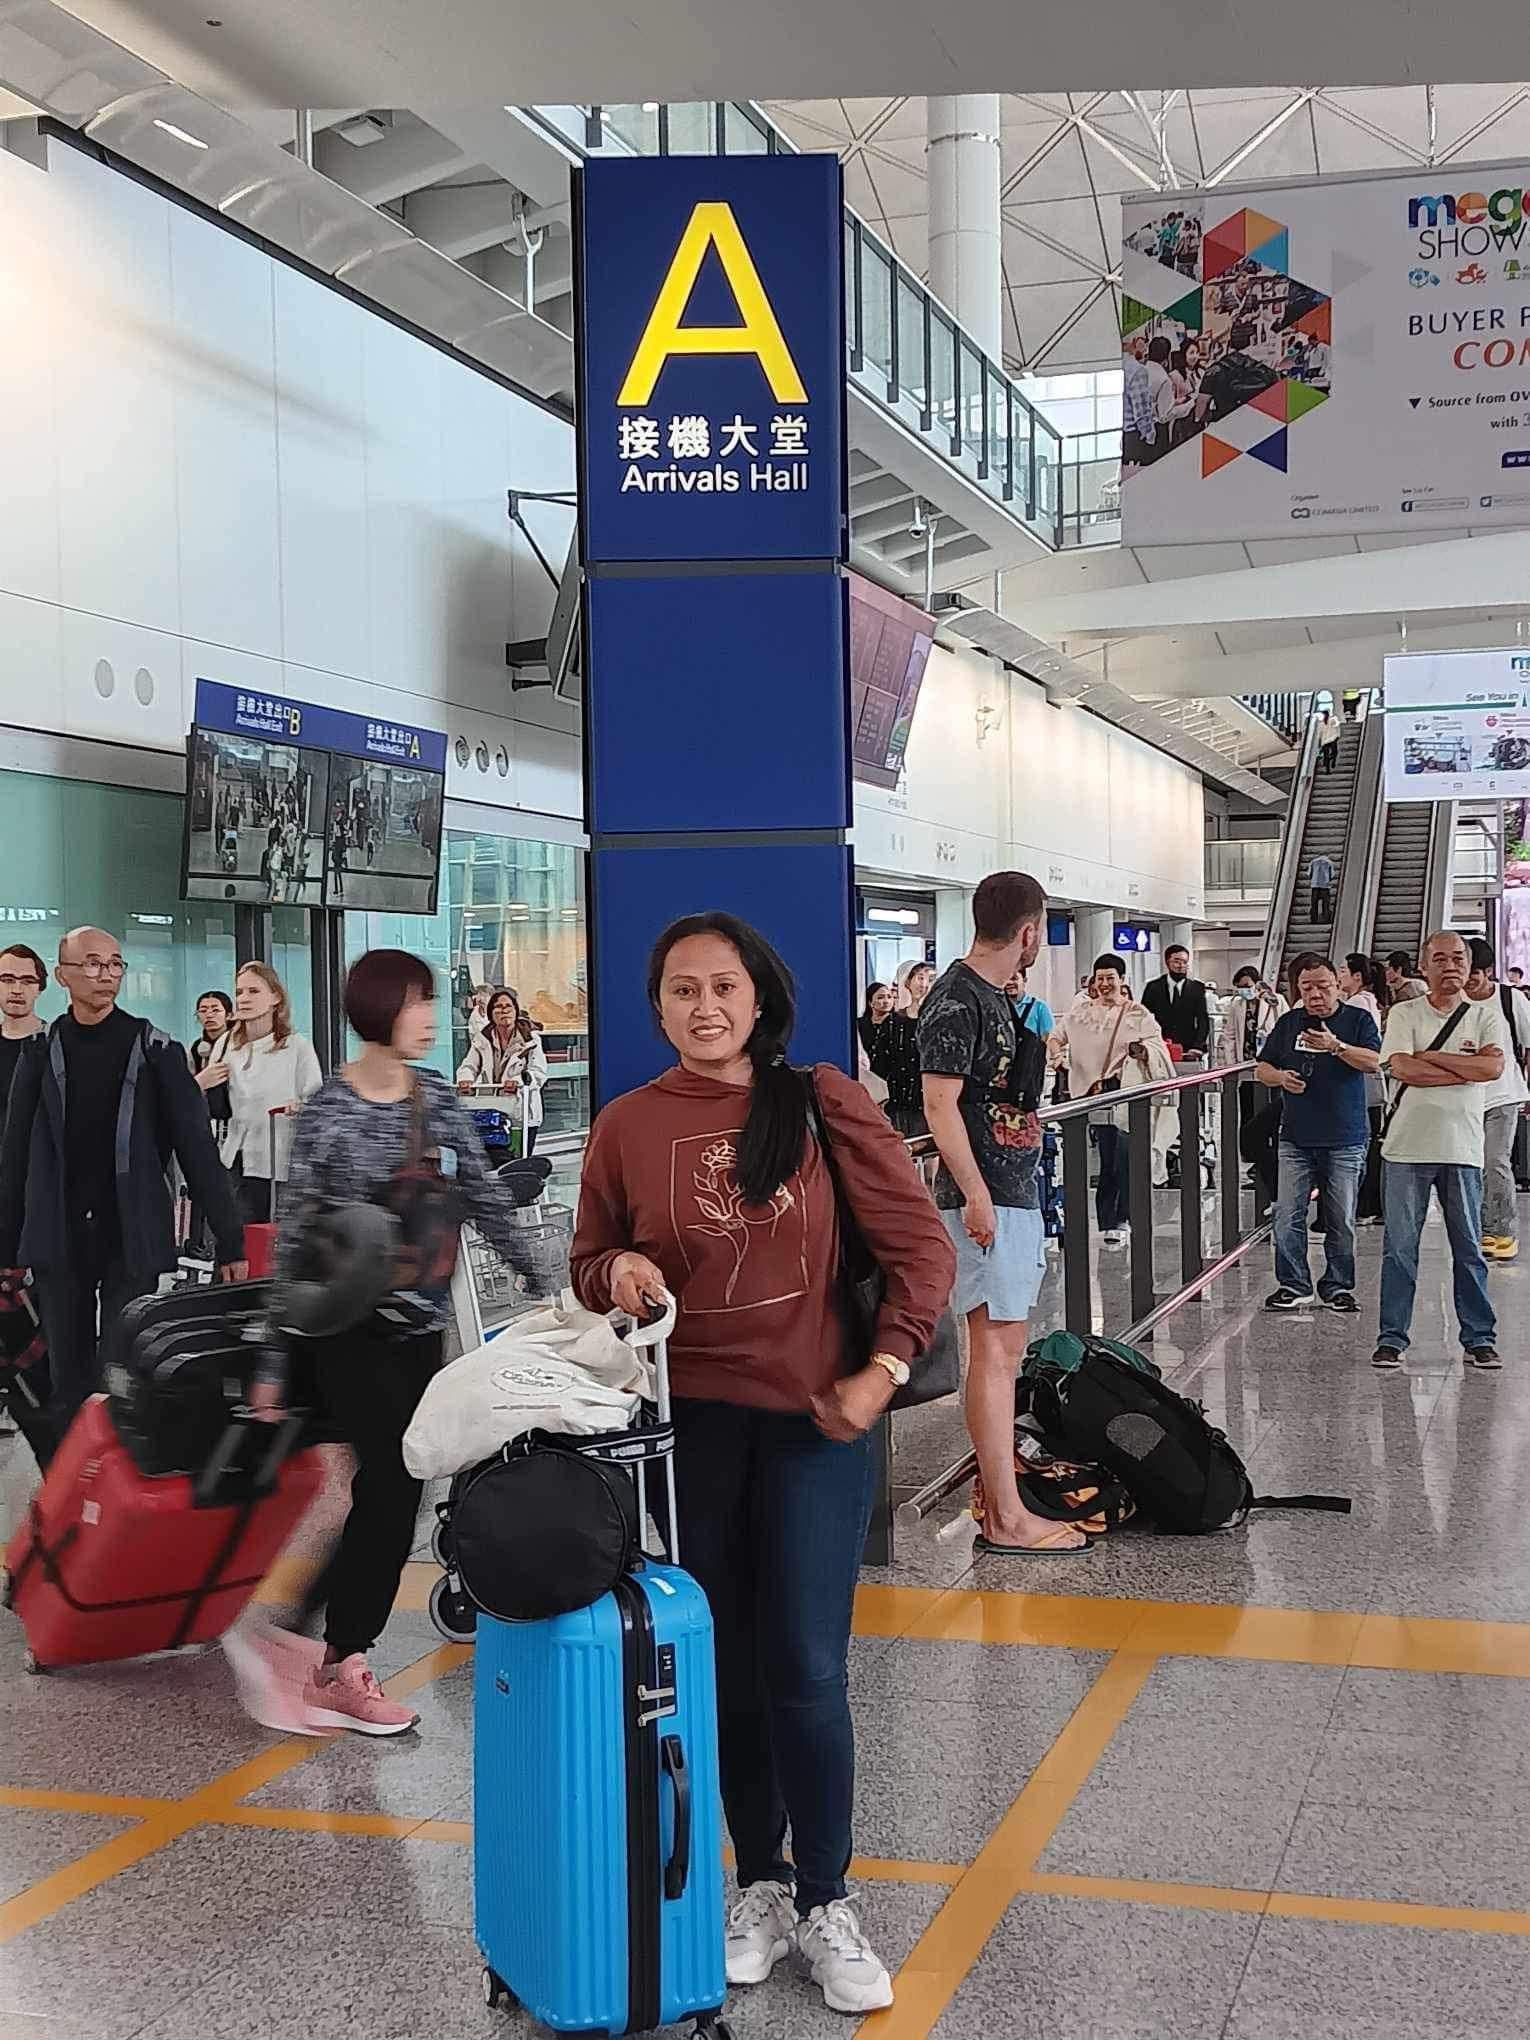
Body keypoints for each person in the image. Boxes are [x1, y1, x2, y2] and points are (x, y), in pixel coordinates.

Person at [570, 912, 955, 2015]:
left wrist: (881, 1372)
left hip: (816, 1424)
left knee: (806, 1663)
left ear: (758, 997)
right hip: (690, 1427)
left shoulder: (821, 1101)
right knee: (726, 1663)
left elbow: (921, 1248)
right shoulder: (627, 1126)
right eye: (681, 990)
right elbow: (589, 1257)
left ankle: (830, 1897)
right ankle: (763, 1884)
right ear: (656, 1009)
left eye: (723, 986)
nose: (705, 1007)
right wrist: (622, 1270)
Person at [229, 949, 532, 1738]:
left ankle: (294, 1629)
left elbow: (481, 1195)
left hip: (420, 1329)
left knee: (387, 1491)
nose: (431, 1015)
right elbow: (294, 1239)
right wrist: (269, 1363)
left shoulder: (434, 1094)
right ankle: (340, 1663)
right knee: (396, 1486)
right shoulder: (330, 1110)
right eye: (418, 1001)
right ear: (378, 1008)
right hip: (348, 1333)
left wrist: (543, 1276)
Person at [0, 927, 246, 1442]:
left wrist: (229, 1238)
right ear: (64, 975)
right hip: (57, 1237)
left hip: (128, 1235)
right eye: (91, 964)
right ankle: (71, 1495)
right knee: (66, 1379)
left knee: (117, 1373)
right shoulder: (41, 1052)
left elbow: (196, 1149)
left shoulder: (155, 1049)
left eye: (114, 965)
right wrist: (7, 1247)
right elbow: (15, 1155)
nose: (105, 975)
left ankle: (109, 1486)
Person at [920, 874, 1089, 1561]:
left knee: (1004, 1347)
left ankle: (998, 1496)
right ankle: (1005, 1517)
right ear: (1027, 933)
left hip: (1012, 1188)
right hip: (988, 1196)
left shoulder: (995, 997)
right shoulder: (958, 997)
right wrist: (977, 1195)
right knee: (995, 1351)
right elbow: (938, 1104)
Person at [1373, 930, 1505, 1371]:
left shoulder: (1485, 1015)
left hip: (1462, 1148)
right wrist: (1459, 1067)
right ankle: (1392, 1337)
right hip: (1406, 1148)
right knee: (1399, 1249)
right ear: (1424, 967)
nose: (1452, 966)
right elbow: (1402, 1066)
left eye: (1459, 958)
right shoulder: (1405, 1013)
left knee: (1468, 1247)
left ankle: (1479, 1337)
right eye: (1441, 959)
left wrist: (1431, 1059)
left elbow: (1490, 1067)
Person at [1254, 958, 1380, 1313]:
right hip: (1296, 1136)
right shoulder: (1288, 1023)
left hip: (1346, 1137)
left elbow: (1373, 1061)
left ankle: (1338, 1285)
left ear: (1337, 985)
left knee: (1340, 1218)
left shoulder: (1357, 1019)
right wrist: (1280, 1079)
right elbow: (1262, 1066)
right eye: (1306, 987)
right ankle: (1293, 1284)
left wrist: (1335, 1046)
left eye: (1323, 985)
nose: (1315, 994)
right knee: (1286, 1214)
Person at [195, 963, 322, 1231]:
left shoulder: (296, 1046)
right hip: (235, 1156)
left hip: (278, 1159)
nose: (243, 999)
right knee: (235, 1241)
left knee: (270, 1241)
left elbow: (315, 1101)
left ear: (275, 998)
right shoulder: (226, 1043)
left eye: (253, 991)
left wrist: (299, 1107)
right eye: (240, 991)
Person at [1049, 956, 1165, 1246]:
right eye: (1099, 978)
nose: (1104, 984)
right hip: (1093, 1093)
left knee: (1127, 1156)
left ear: (1122, 979)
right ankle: (1108, 1219)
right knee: (1107, 1155)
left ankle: (1125, 1216)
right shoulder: (1080, 1014)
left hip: (1126, 1091)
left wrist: (1143, 1051)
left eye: (1110, 978)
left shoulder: (1137, 1013)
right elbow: (1055, 1037)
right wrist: (1057, 1058)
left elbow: (1156, 1043)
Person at [1466, 937, 1528, 1263]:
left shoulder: (1509, 999)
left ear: (1488, 971)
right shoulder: (1452, 1001)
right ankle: (1478, 1229)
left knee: (1496, 1162)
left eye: (1476, 972)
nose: (1468, 979)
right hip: (1462, 1098)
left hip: (1502, 1095)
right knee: (1471, 1167)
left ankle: (1502, 1231)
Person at [455, 985, 549, 1153]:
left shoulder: (531, 1039)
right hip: (493, 1110)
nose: (504, 1011)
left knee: (519, 1160)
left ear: (515, 1010)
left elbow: (538, 1072)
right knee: (494, 1159)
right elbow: (469, 1065)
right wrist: (465, 1078)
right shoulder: (482, 1038)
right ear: (491, 1012)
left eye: (508, 1007)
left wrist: (519, 1082)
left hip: (522, 1111)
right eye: (498, 1007)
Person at [1338, 954, 1390, 1226]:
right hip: (1371, 1085)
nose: (1339, 975)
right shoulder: (1369, 1001)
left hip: (1361, 1084)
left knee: (1364, 1148)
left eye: (1344, 970)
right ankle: (1373, 1205)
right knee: (1371, 1146)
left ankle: (1367, 1205)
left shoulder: (1357, 1003)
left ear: (1357, 976)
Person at [870, 961, 934, 1137]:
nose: (925, 984)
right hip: (899, 1101)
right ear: (907, 982)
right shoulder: (892, 1023)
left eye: (930, 979)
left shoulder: (938, 1022)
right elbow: (879, 1065)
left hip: (931, 1101)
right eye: (920, 978)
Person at [0, 942, 47, 1116]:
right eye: (7, 980)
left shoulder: (56, 1046)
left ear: (39, 989)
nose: (17, 990)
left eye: (27, 981)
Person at [1142, 943, 1211, 1059]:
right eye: (1177, 961)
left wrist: (1198, 1046)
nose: (1181, 966)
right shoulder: (1153, 987)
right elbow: (1145, 1017)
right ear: (1167, 962)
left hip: (1188, 1048)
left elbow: (1202, 1020)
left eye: (1185, 962)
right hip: (1159, 1045)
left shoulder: (1196, 988)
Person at [1199, 321, 1277, 421]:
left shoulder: (1214, 371)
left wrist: (1217, 415)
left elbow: (1200, 415)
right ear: (1253, 339)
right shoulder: (1268, 369)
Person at [1006, 963, 1054, 1041]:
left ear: (1025, 980)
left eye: (1014, 978)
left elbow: (1048, 1039)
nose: (1009, 983)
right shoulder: (998, 1008)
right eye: (1005, 979)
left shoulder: (1040, 1007)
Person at [857, 981, 895, 1058]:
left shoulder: (899, 1023)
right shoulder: (859, 1024)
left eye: (889, 997)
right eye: (880, 997)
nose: (886, 1001)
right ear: (870, 1002)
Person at [1309, 852, 1336, 926]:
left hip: (1315, 885)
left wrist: (1313, 879)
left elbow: (1309, 873)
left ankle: (1314, 919)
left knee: (1314, 903)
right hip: (1325, 886)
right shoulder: (1329, 862)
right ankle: (1326, 919)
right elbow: (1332, 875)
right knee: (1326, 903)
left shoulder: (1313, 862)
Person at [1317, 707, 1342, 775]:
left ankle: (1328, 770)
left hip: (1325, 742)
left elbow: (1319, 734)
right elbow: (1337, 725)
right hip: (1332, 740)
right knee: (1335, 753)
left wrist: (1320, 743)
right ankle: (1333, 761)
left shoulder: (1321, 723)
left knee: (1326, 755)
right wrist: (1338, 736)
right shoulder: (1333, 719)